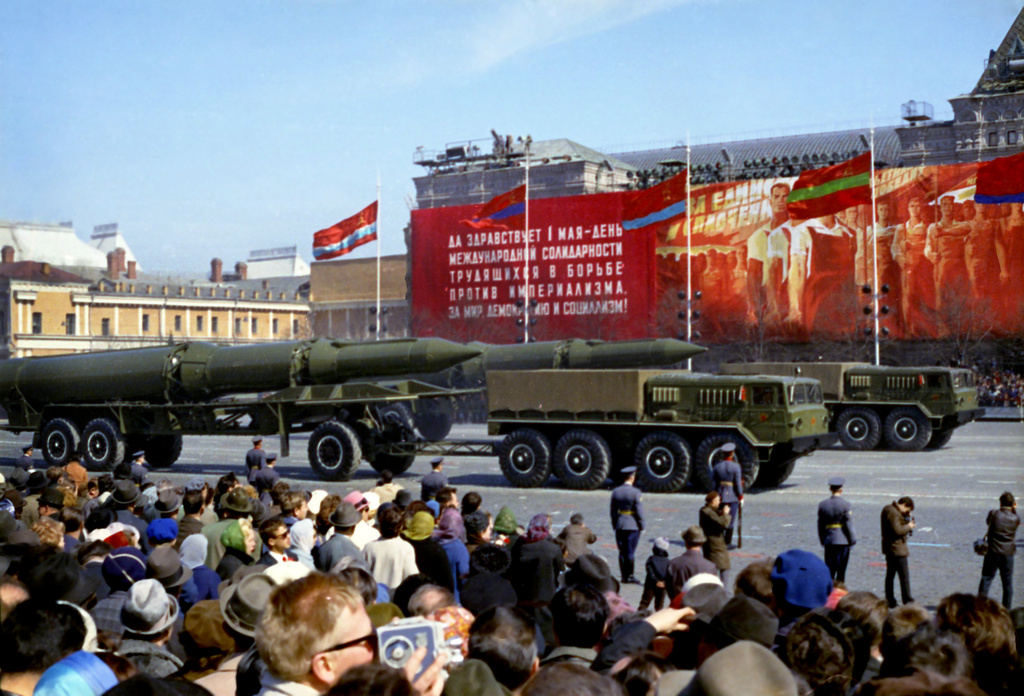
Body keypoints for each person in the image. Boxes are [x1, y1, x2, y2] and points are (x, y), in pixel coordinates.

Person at [978, 491, 1019, 608]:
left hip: (993, 551)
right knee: (1007, 583)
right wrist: (1014, 509)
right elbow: (1015, 520)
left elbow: (988, 523)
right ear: (1013, 504)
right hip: (1008, 553)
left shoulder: (994, 514)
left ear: (1000, 503)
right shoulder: (1015, 518)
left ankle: (980, 606)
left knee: (986, 579)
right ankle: (1007, 608)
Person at [818, 476, 856, 583]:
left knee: (830, 570)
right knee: (841, 571)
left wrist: (823, 539)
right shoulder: (845, 504)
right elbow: (848, 524)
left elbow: (820, 525)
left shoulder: (823, 504)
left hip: (829, 540)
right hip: (843, 540)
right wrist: (852, 540)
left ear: (830, 489)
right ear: (841, 489)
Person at [610, 467, 644, 584]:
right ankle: (630, 575)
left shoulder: (616, 491)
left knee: (622, 551)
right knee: (630, 552)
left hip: (620, 524)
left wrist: (615, 524)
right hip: (632, 525)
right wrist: (642, 525)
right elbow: (639, 511)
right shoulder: (636, 492)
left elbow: (613, 511)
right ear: (632, 477)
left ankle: (623, 575)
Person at [665, 526, 718, 600]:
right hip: (701, 607)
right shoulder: (711, 567)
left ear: (686, 542)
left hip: (679, 605)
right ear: (702, 543)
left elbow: (669, 588)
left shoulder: (673, 564)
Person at [880, 496, 915, 608]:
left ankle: (890, 599)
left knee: (890, 575)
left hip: (890, 548)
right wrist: (909, 526)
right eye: (907, 510)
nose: (907, 512)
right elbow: (898, 530)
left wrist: (905, 517)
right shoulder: (894, 513)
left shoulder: (888, 509)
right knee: (904, 576)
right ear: (904, 505)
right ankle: (907, 599)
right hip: (897, 549)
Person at [711, 443, 742, 547]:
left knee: (719, 519)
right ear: (732, 453)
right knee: (730, 519)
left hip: (719, 495)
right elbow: (737, 484)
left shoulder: (717, 467)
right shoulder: (736, 466)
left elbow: (714, 484)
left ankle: (718, 540)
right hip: (732, 496)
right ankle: (727, 542)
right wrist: (740, 496)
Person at [699, 491, 731, 587]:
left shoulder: (709, 511)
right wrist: (725, 514)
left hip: (716, 545)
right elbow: (723, 524)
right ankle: (721, 592)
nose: (719, 502)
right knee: (722, 568)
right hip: (714, 546)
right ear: (712, 501)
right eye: (717, 500)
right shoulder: (707, 512)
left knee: (722, 568)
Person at [637, 537, 670, 611]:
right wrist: (664, 582)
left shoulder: (651, 559)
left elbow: (650, 572)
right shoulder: (668, 561)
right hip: (663, 585)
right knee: (659, 605)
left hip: (650, 584)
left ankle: (638, 618)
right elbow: (669, 573)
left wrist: (656, 581)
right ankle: (659, 620)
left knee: (645, 602)